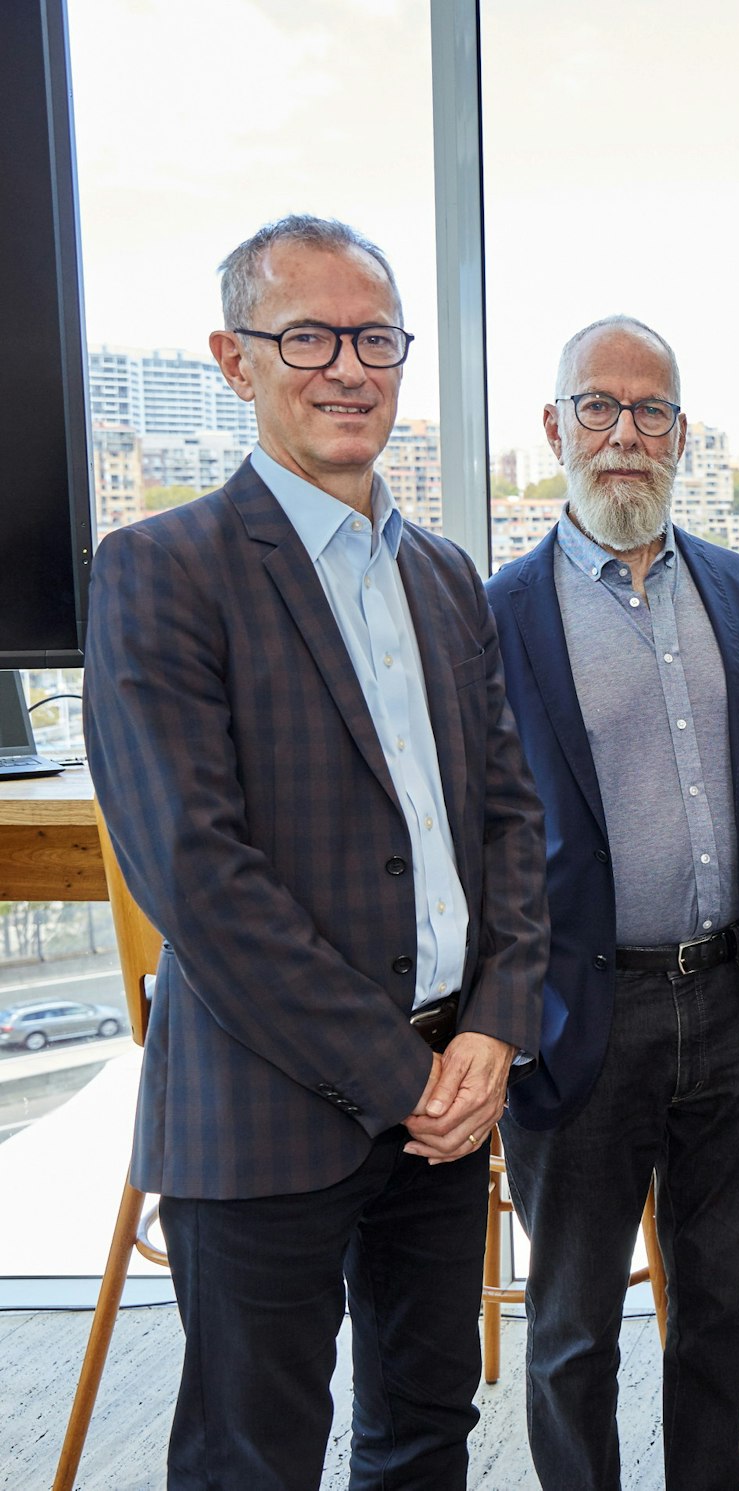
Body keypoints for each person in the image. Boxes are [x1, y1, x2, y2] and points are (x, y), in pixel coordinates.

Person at [83, 214, 548, 1489]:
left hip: (452, 1090)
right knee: (254, 1455)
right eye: (309, 337)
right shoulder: (159, 571)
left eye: (376, 339)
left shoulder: (448, 575)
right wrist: (399, 1075)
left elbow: (509, 821)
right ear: (236, 361)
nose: (349, 368)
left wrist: (493, 1032)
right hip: (268, 1106)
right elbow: (201, 880)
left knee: (424, 1430)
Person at [487, 315, 739, 1491]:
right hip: (578, 1017)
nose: (626, 434)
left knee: (721, 1310)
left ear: (683, 434)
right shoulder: (493, 610)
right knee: (572, 1331)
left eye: (651, 411)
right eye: (599, 407)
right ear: (554, 426)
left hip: (731, 1007)